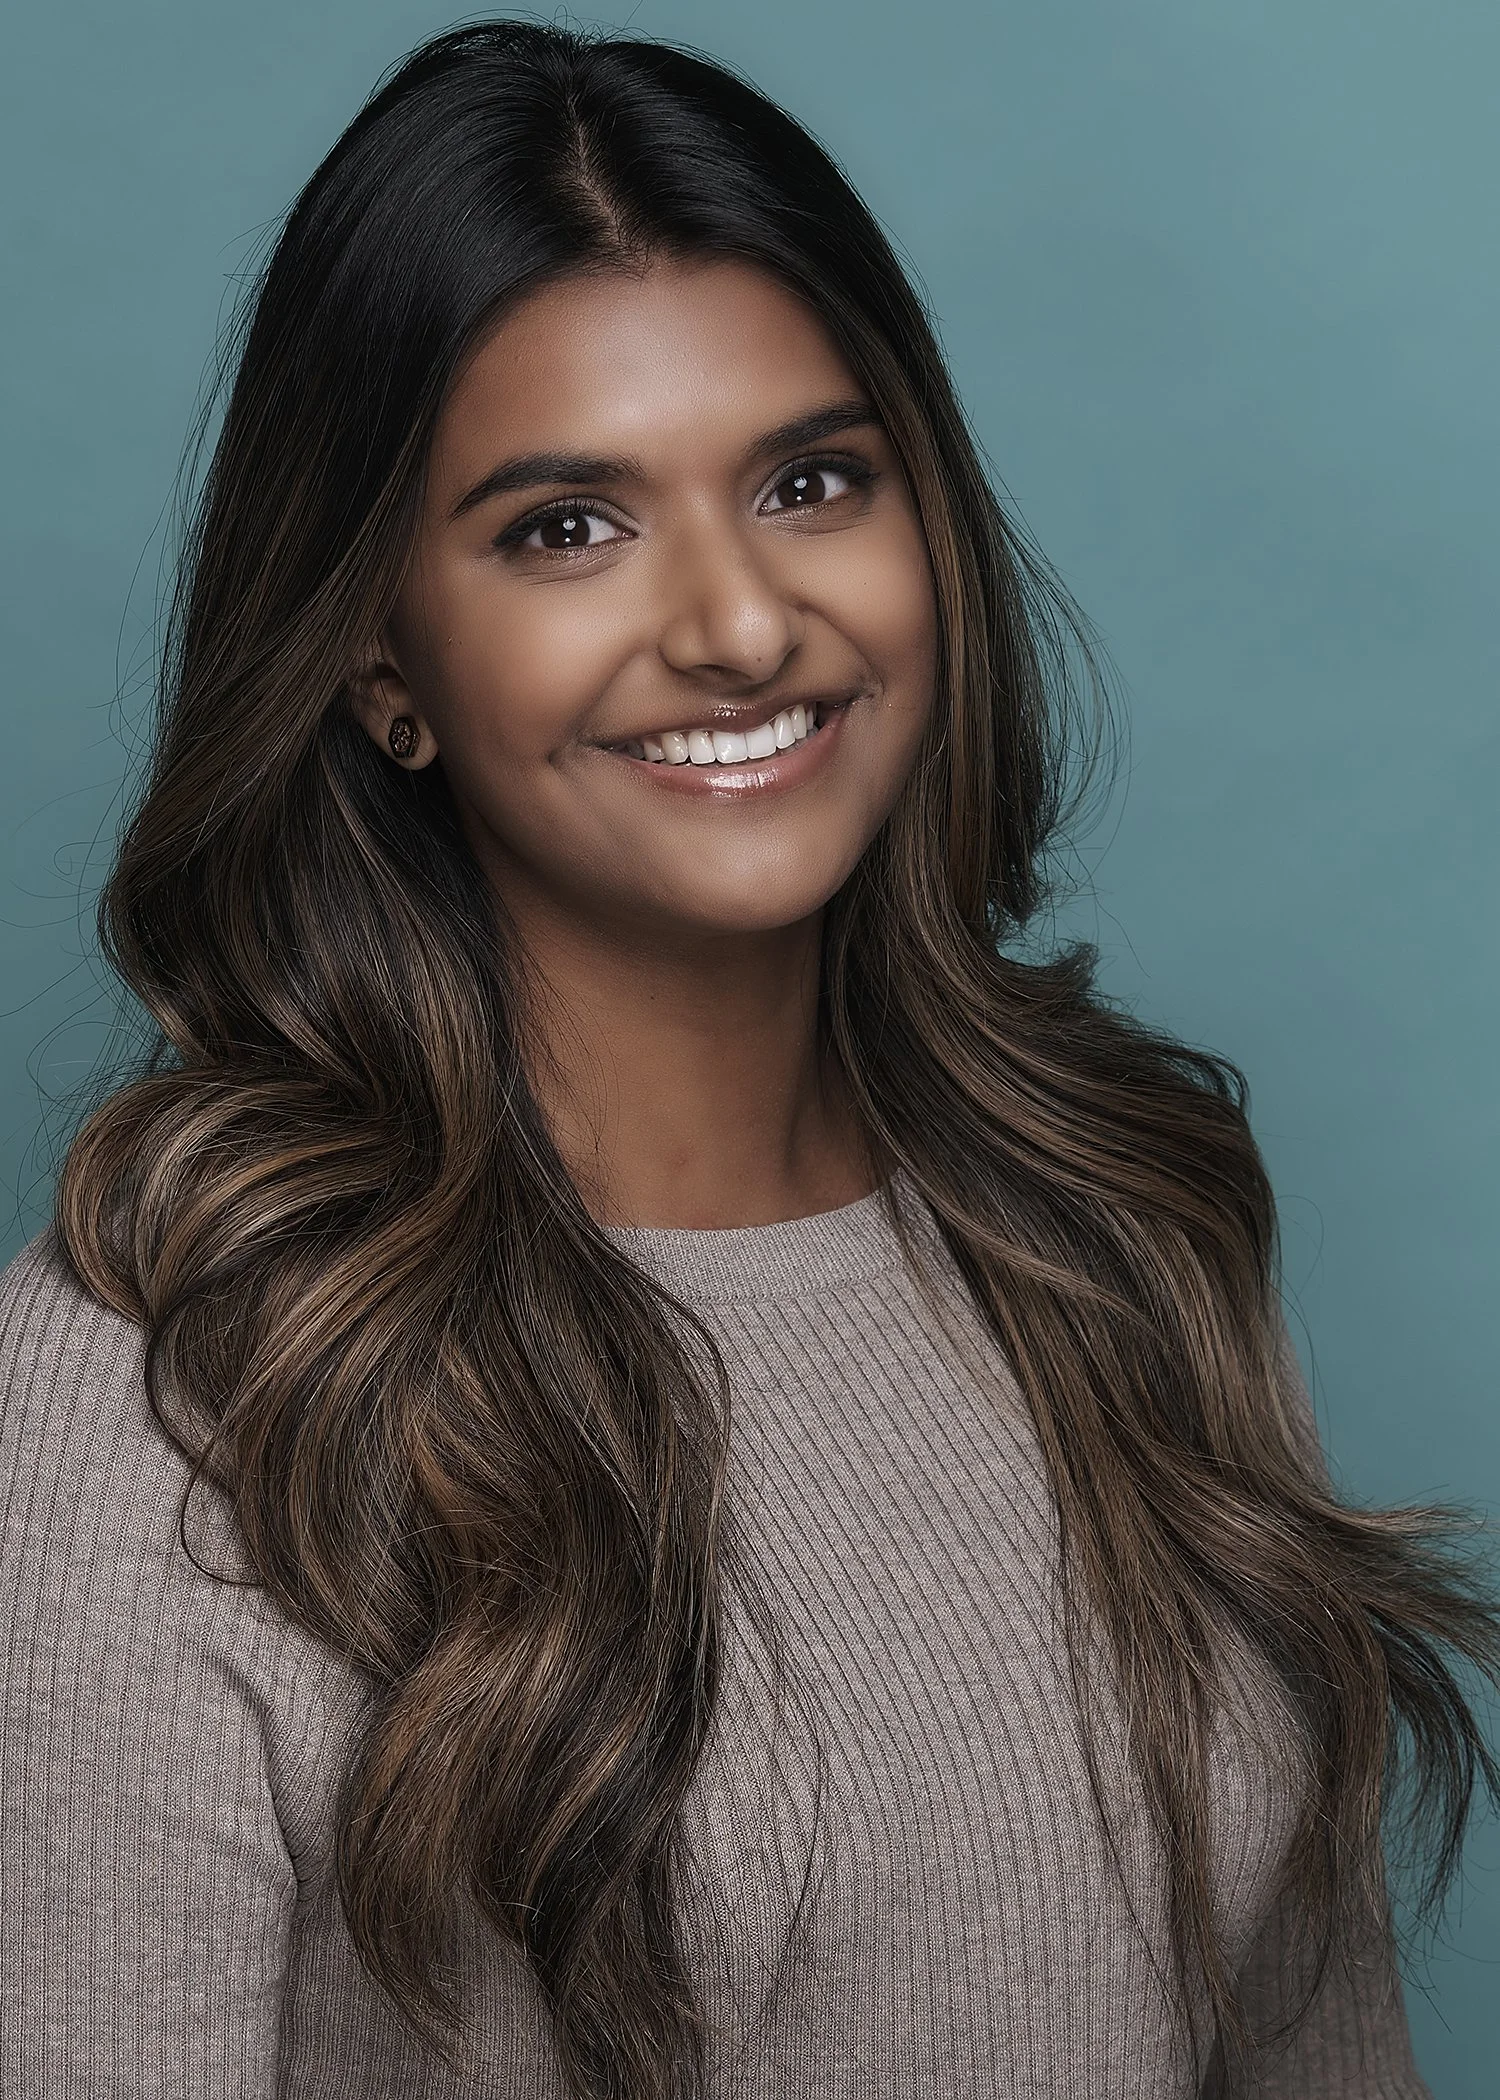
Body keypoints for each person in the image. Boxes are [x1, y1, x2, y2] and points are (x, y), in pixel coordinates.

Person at [1, 20, 1494, 2100]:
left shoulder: (1122, 1245)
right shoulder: (170, 1384)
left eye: (812, 482)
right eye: (563, 529)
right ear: (378, 663)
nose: (734, 623)